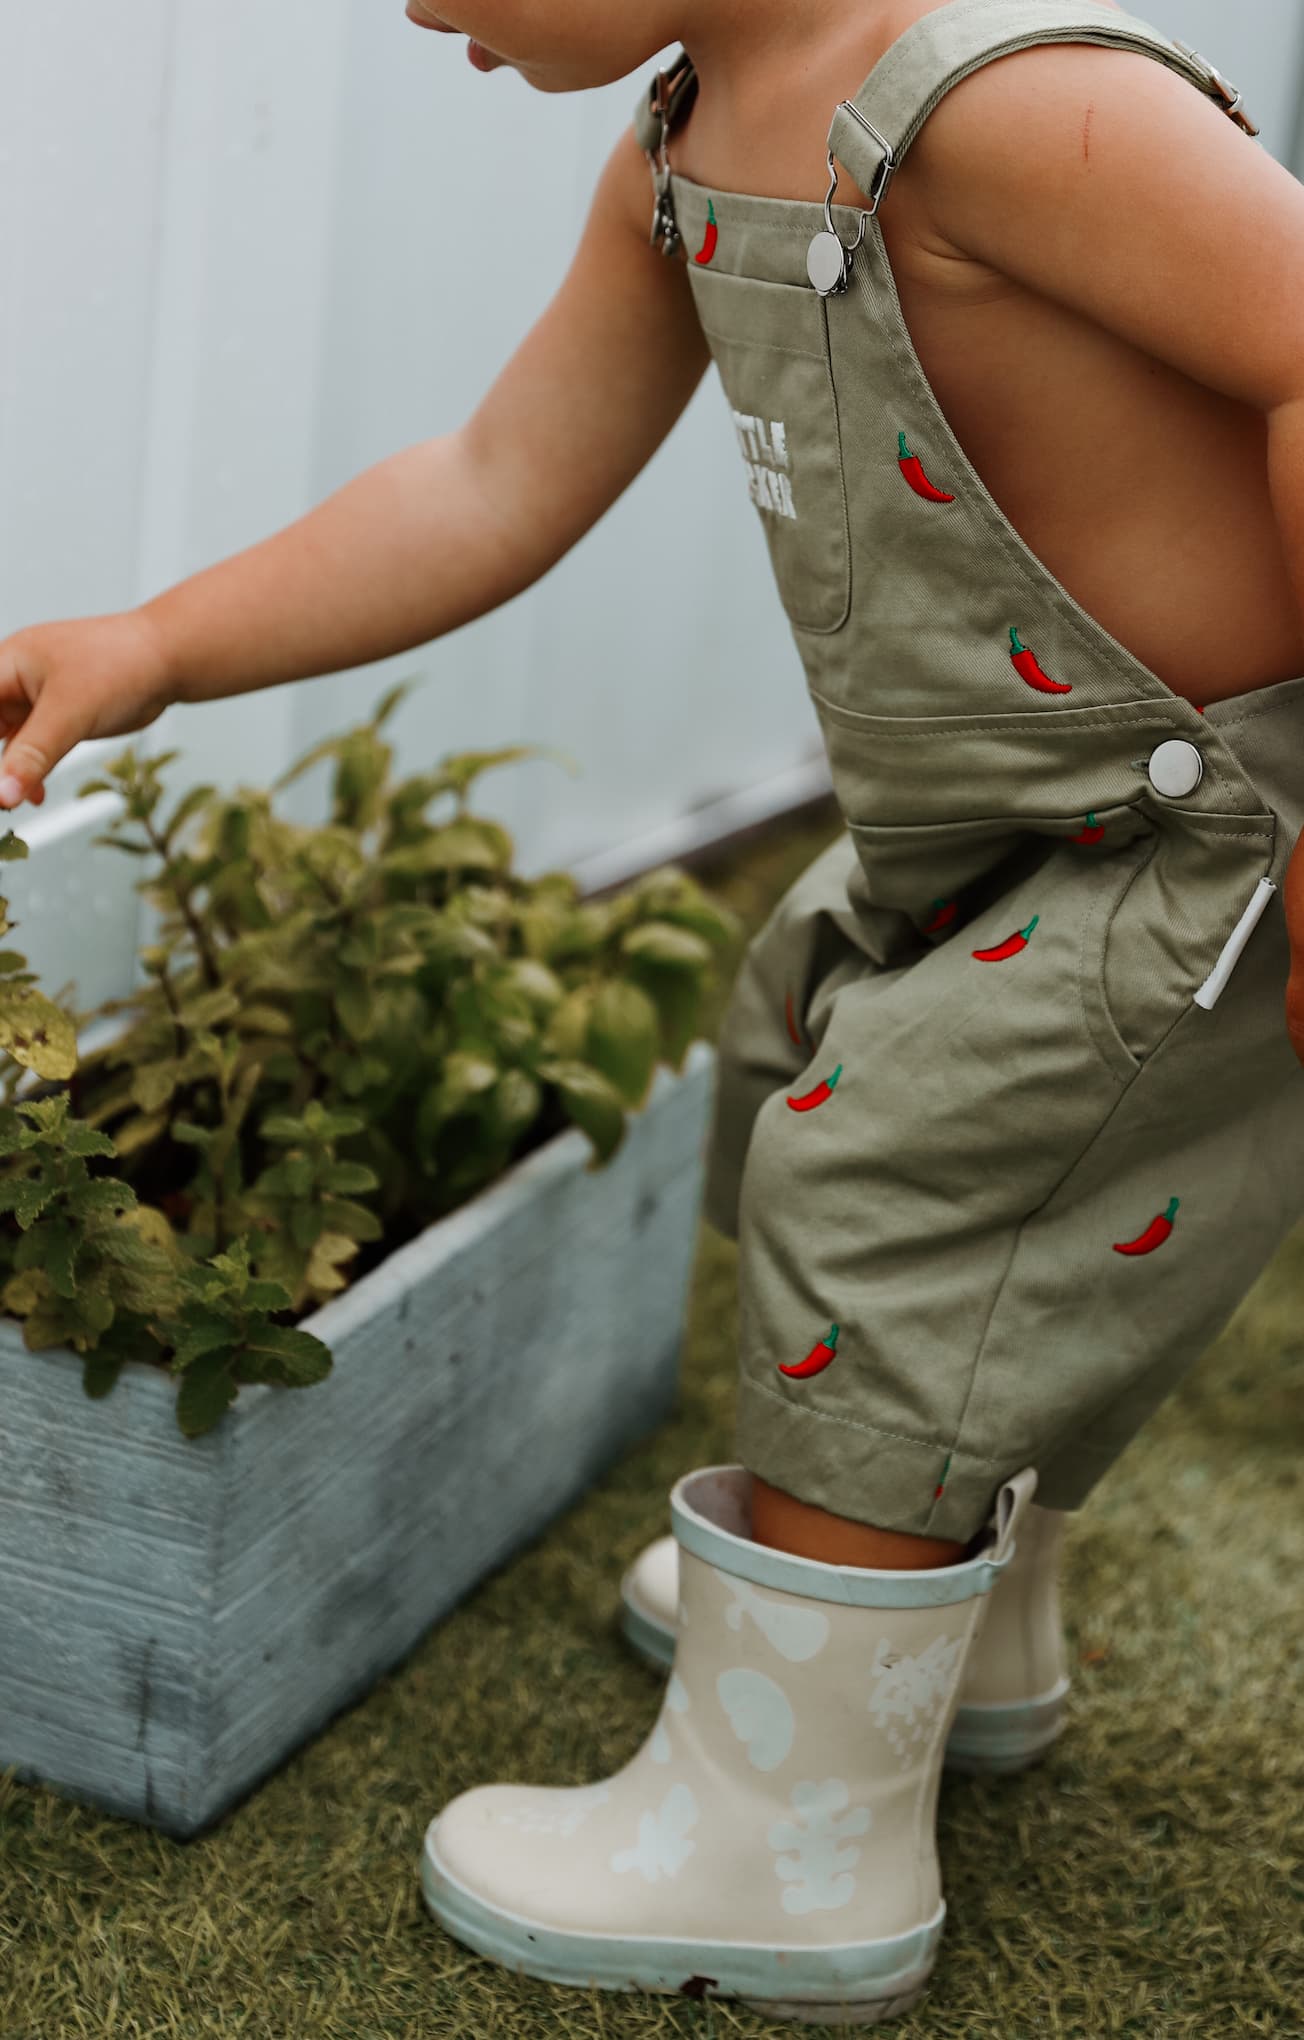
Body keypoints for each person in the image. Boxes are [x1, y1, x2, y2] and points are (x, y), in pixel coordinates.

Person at [5, 0, 1304, 2021]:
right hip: (992, 825)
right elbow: (496, 474)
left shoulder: (1017, 111)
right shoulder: (683, 150)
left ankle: (784, 1838)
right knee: (829, 1066)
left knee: (891, 1198)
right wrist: (162, 643)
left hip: (1193, 844)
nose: (421, 10)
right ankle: (931, 1628)